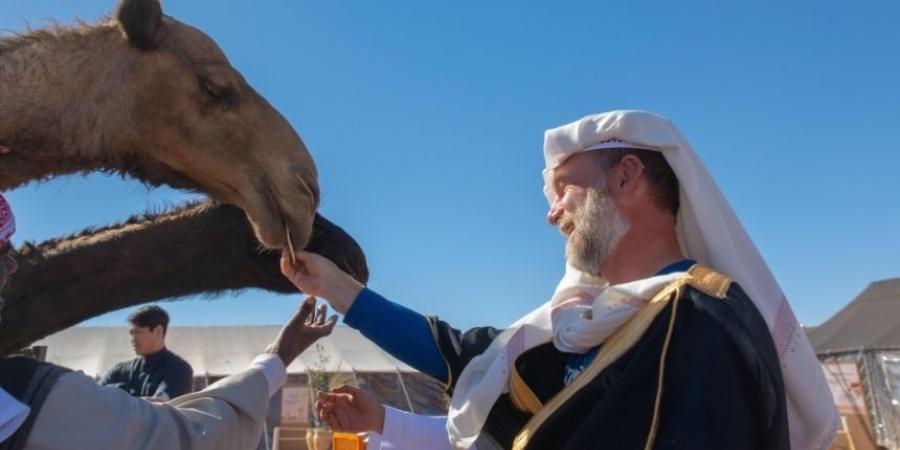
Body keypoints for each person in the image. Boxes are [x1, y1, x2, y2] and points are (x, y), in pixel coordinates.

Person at [281, 110, 838, 450]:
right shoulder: (586, 322)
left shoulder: (703, 321)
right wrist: (333, 285)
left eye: (566, 189)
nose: (552, 214)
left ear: (626, 177)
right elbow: (462, 355)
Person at [0, 193, 338, 450]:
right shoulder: (20, 398)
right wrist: (279, 356)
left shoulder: (174, 369)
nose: (12, 268)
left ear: (158, 330)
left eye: (138, 332)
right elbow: (184, 436)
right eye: (3, 256)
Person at [99, 305, 194, 400]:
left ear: (158, 331)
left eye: (138, 332)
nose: (133, 339)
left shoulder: (179, 369)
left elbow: (159, 406)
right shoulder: (120, 371)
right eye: (132, 333)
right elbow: (94, 396)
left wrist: (118, 396)